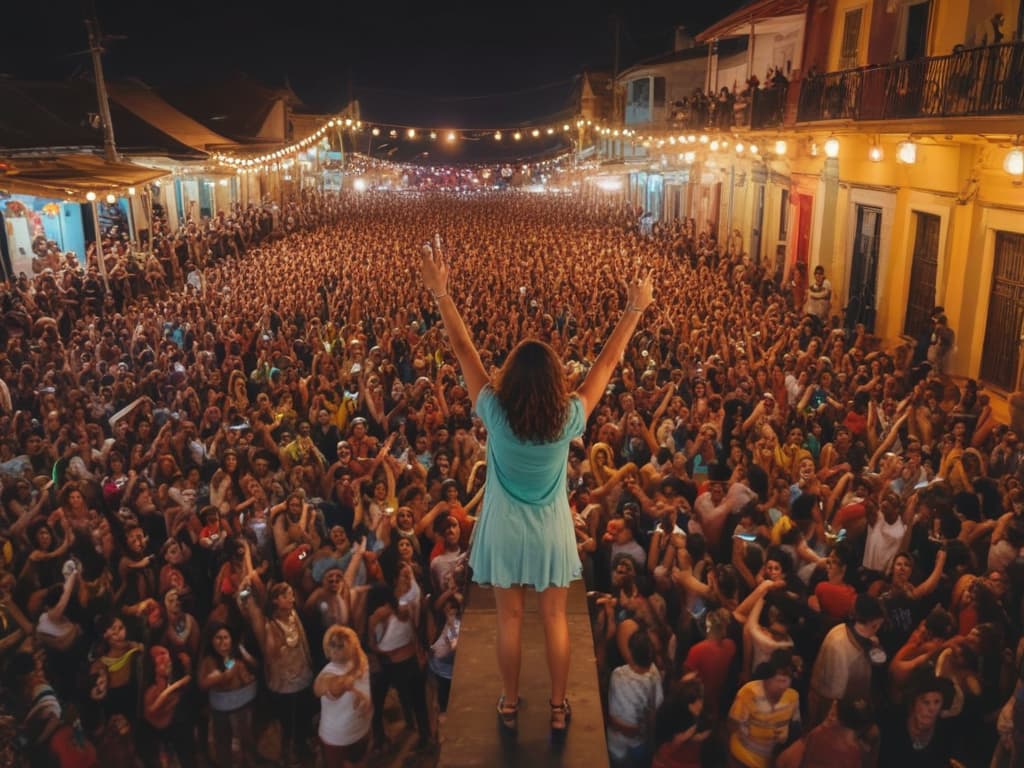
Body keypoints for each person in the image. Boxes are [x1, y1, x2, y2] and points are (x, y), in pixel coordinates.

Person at [418, 233, 654, 736]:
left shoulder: (494, 414)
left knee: (507, 621)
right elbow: (606, 366)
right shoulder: (568, 417)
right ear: (552, 381)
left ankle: (508, 702)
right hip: (550, 530)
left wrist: (441, 292)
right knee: (554, 621)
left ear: (509, 379)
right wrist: (634, 310)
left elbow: (462, 347)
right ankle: (557, 705)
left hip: (503, 528)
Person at [315, 625, 372, 768]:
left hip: (360, 731)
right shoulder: (329, 672)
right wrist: (348, 684)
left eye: (340, 646)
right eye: (332, 644)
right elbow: (319, 688)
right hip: (337, 738)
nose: (334, 649)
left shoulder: (360, 663)